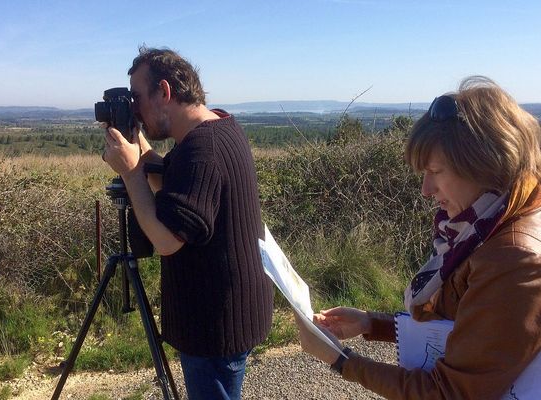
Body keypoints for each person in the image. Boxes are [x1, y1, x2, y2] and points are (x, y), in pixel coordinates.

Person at [294, 76, 541, 399]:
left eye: (436, 172)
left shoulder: (512, 258)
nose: (426, 190)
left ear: (486, 166)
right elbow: (469, 330)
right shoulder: (487, 224)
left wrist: (340, 360)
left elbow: (448, 393)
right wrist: (372, 324)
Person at [102, 47, 273, 400]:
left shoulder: (202, 151)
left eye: (137, 98)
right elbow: (180, 187)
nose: (134, 108)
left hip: (213, 327)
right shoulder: (218, 127)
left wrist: (131, 172)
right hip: (228, 313)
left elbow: (166, 239)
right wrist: (139, 144)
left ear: (164, 92)